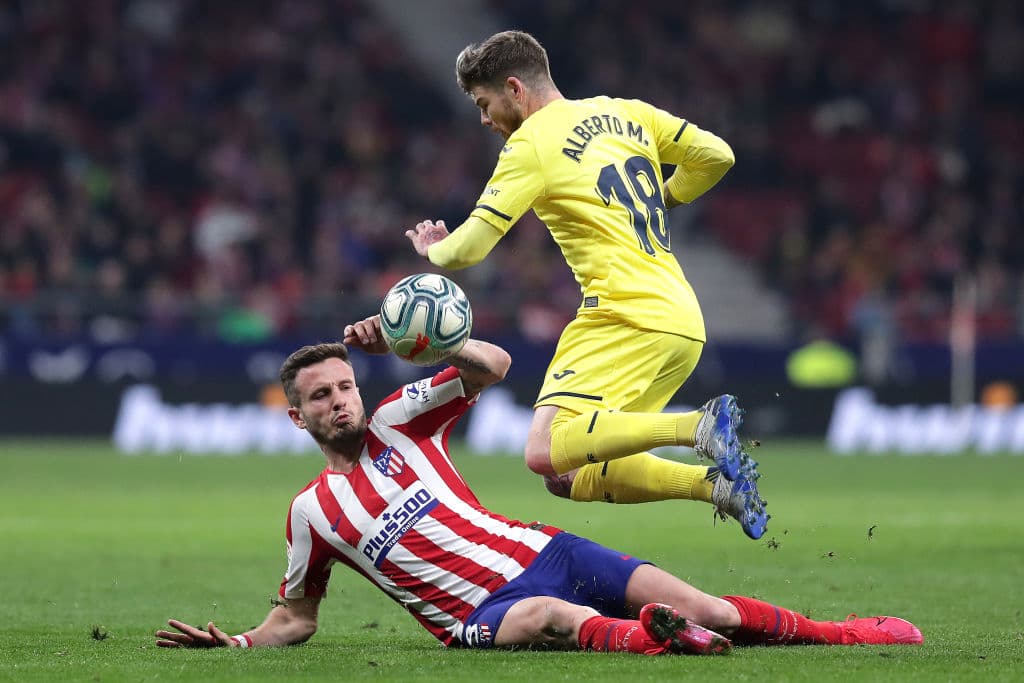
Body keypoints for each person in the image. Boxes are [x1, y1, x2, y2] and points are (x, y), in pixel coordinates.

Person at [154, 315, 922, 654]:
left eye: (344, 386)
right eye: (319, 397)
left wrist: (422, 339)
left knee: (714, 608)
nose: (339, 401)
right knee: (551, 616)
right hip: (481, 613)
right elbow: (297, 616)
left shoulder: (400, 417)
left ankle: (842, 632)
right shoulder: (311, 514)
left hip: (547, 550)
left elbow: (492, 366)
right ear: (296, 417)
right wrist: (240, 641)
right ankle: (657, 641)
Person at [405, 30, 767, 539]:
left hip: (622, 314)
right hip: (681, 323)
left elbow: (468, 250)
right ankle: (716, 487)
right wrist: (664, 198)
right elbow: (717, 155)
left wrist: (432, 249)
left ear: (514, 89)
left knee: (544, 450)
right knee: (571, 472)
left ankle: (698, 426)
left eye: (484, 105)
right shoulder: (627, 113)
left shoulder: (532, 143)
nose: (484, 120)